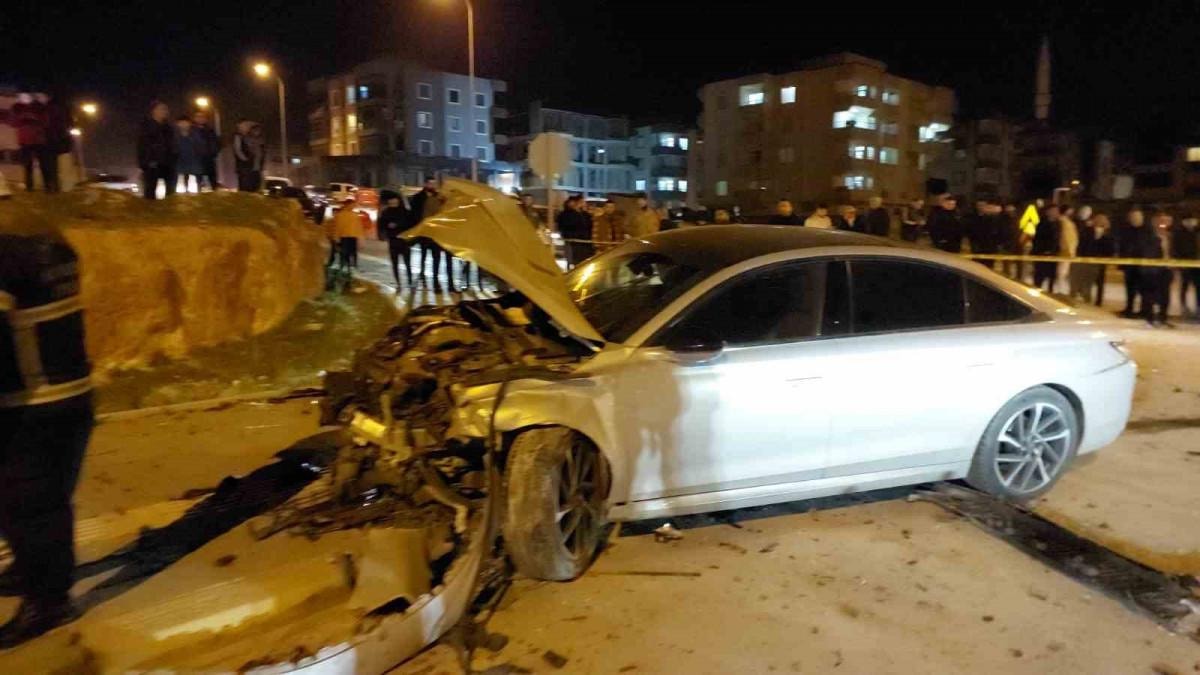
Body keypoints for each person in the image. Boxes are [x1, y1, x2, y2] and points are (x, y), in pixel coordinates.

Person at [0, 219, 94, 647]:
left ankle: (48, 601)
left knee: (31, 506)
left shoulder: (7, 258)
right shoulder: (49, 244)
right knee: (41, 502)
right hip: (70, 395)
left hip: (34, 404)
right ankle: (32, 570)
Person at [410, 178, 447, 291]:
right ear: (425, 184)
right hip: (424, 232)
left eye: (434, 184)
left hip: (436, 232)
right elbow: (414, 215)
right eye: (430, 183)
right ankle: (422, 278)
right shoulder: (417, 197)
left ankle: (436, 281)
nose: (433, 186)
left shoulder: (439, 197)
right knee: (423, 256)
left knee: (437, 257)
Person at [11, 92, 51, 192]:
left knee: (38, 164)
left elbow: (45, 122)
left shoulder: (36, 108)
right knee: (33, 164)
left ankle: (40, 186)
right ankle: (36, 186)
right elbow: (14, 123)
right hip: (31, 139)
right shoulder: (19, 109)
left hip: (33, 139)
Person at [136, 101, 176, 200]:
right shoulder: (146, 126)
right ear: (154, 111)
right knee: (150, 190)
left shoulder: (168, 128)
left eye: (166, 109)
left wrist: (173, 158)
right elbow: (142, 145)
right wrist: (144, 163)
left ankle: (169, 207)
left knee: (171, 190)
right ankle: (149, 208)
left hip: (167, 162)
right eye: (162, 109)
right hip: (152, 162)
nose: (165, 111)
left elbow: (172, 145)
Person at [1139, 213, 1173, 326]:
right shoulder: (1148, 236)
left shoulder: (1170, 236)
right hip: (1151, 271)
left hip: (1166, 270)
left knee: (1165, 295)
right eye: (1160, 221)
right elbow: (1147, 252)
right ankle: (1149, 318)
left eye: (1165, 221)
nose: (1162, 224)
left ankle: (1163, 318)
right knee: (1150, 295)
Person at [1076, 213, 1116, 306]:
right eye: (1098, 219)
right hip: (1087, 259)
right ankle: (1086, 298)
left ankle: (1098, 301)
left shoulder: (1109, 234)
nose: (1100, 221)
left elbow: (1111, 248)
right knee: (1086, 280)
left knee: (1100, 282)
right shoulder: (1087, 231)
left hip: (1100, 261)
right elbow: (1082, 244)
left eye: (1102, 220)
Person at [377, 191, 412, 288]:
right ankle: (398, 283)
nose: (392, 202)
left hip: (404, 241)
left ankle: (410, 281)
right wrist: (386, 228)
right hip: (393, 241)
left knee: (407, 263)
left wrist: (398, 225)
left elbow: (409, 224)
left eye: (394, 200)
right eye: (391, 201)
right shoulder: (386, 212)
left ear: (398, 200)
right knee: (395, 263)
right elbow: (381, 225)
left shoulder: (405, 211)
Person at [1117, 208, 1147, 317]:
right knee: (1130, 289)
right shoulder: (1126, 231)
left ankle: (1144, 310)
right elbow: (1122, 247)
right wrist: (1122, 264)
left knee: (1143, 290)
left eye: (1137, 217)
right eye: (1133, 217)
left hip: (1143, 267)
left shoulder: (1147, 231)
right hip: (1129, 266)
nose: (1135, 219)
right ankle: (1129, 308)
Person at [557, 195, 594, 268]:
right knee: (575, 261)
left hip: (585, 243)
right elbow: (566, 226)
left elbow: (589, 226)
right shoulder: (568, 214)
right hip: (574, 242)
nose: (584, 204)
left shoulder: (585, 214)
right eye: (582, 202)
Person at [1173, 216, 1199, 317]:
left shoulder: (1197, 232)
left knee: (1198, 286)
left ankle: (1198, 307)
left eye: (1193, 220)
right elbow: (1175, 249)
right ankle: (1183, 306)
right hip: (1184, 265)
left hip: (1197, 265)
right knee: (1185, 286)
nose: (1191, 223)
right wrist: (1180, 264)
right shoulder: (1179, 234)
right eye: (1188, 221)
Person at [174, 116, 204, 193]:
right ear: (177, 124)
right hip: (181, 160)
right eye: (181, 123)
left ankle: (199, 192)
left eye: (186, 123)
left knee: (198, 178)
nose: (184, 125)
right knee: (183, 177)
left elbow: (200, 146)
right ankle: (185, 192)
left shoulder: (195, 134)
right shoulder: (175, 135)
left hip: (194, 160)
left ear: (190, 124)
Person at [192, 110, 220, 190]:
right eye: (198, 117)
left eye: (202, 117)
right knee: (198, 181)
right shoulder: (192, 130)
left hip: (209, 158)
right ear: (194, 118)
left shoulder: (210, 130)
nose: (200, 119)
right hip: (197, 159)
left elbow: (216, 142)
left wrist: (214, 152)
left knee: (212, 179)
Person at [331, 198, 361, 270]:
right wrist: (336, 237)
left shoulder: (355, 215)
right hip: (344, 236)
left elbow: (358, 227)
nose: (353, 206)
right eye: (352, 205)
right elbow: (337, 227)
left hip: (353, 236)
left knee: (353, 252)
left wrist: (360, 237)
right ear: (347, 205)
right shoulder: (341, 215)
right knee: (344, 252)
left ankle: (353, 266)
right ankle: (344, 266)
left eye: (354, 205)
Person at [232, 121, 263, 192]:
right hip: (246, 167)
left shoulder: (259, 140)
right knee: (246, 186)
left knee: (254, 185)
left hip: (254, 167)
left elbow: (260, 153)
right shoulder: (240, 138)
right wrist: (246, 159)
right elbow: (238, 150)